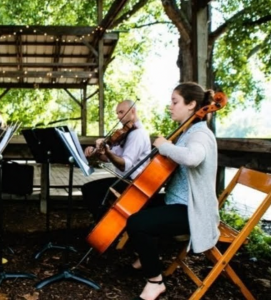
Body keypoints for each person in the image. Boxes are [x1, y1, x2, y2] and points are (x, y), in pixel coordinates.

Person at [126, 82, 220, 300]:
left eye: (175, 101)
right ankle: (146, 254)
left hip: (193, 210)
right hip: (177, 201)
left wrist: (163, 145)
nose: (170, 106)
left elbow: (192, 157)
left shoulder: (200, 134)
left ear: (192, 105)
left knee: (137, 223)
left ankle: (155, 282)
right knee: (136, 204)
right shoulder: (187, 132)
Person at [82, 99, 151, 221]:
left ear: (133, 111)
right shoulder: (126, 133)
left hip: (133, 184)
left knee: (91, 190)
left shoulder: (138, 134)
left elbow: (125, 165)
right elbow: (110, 158)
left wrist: (107, 152)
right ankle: (105, 222)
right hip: (123, 179)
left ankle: (106, 225)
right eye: (117, 113)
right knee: (91, 189)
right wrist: (97, 152)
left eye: (121, 112)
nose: (118, 116)